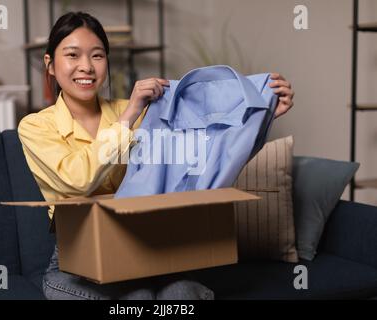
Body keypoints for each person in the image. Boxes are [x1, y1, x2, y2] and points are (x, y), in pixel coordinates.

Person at [18, 11, 294, 300]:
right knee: (138, 300)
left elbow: (197, 161)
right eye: (72, 55)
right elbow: (76, 180)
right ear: (50, 65)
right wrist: (128, 117)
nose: (86, 66)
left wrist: (260, 118)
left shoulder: (141, 110)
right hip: (76, 264)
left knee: (184, 293)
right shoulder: (37, 126)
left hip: (148, 248)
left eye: (97, 56)